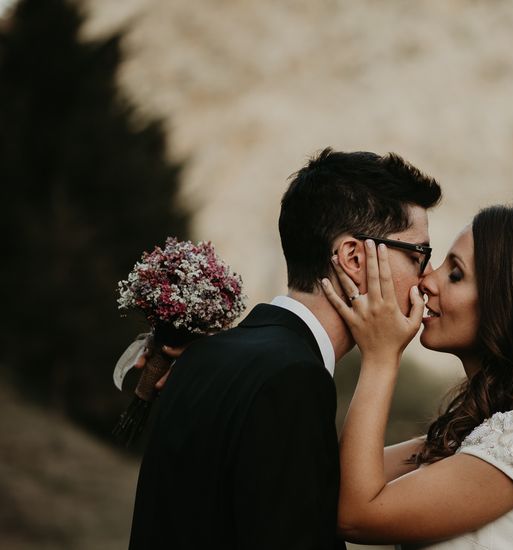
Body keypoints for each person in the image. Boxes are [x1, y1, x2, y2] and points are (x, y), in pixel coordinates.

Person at [128, 148, 441, 549]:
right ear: (353, 258)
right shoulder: (294, 379)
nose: (428, 278)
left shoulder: (206, 353)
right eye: (419, 255)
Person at [321, 204, 513, 549]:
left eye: (455, 274)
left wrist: (380, 358)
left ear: (508, 306)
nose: (427, 280)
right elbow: (331, 484)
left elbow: (355, 515)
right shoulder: (473, 438)